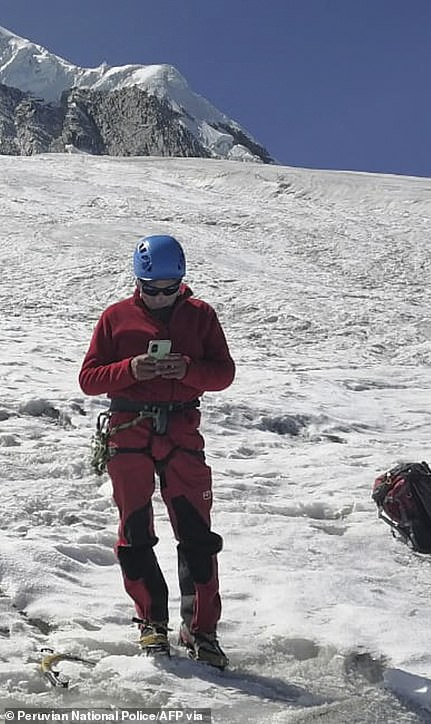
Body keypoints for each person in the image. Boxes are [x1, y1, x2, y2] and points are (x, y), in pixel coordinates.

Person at [79, 235, 235, 666]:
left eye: (171, 288)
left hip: (182, 432)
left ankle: (201, 630)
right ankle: (152, 623)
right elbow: (89, 379)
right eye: (152, 289)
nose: (162, 297)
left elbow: (223, 373)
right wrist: (130, 370)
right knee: (135, 532)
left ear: (182, 282)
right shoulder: (116, 318)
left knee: (198, 536)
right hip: (129, 433)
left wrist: (188, 370)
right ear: (138, 281)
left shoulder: (201, 315)